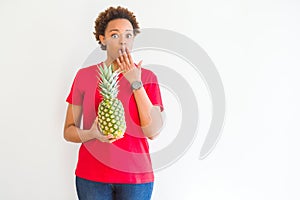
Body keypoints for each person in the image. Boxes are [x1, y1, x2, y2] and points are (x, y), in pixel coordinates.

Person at [63, 6, 164, 200]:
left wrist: (136, 82)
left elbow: (153, 132)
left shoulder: (148, 77)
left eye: (128, 35)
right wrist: (91, 133)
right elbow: (68, 130)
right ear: (103, 38)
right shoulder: (84, 76)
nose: (123, 41)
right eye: (115, 35)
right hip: (91, 176)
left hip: (137, 178)